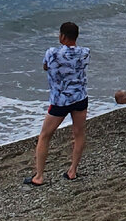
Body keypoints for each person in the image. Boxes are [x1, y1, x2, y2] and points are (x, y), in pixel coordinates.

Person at [26, 22, 89, 186]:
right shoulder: (85, 52)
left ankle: (39, 176)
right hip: (80, 97)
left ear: (62, 36)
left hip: (60, 100)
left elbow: (46, 66)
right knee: (79, 133)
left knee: (45, 135)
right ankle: (72, 171)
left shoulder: (52, 53)